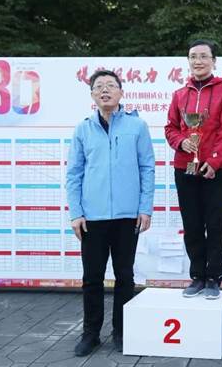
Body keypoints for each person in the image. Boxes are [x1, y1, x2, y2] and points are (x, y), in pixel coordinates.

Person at [66, 70, 155, 356]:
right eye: (99, 86)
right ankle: (91, 333)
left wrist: (145, 208)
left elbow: (147, 168)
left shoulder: (137, 126)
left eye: (111, 86)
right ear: (92, 94)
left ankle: (122, 332)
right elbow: (74, 173)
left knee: (124, 275)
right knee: (92, 277)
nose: (105, 90)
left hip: (127, 216)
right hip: (92, 217)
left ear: (121, 92)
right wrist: (76, 213)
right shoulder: (83, 129)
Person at [165, 39, 222, 299]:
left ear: (214, 61)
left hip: (217, 169)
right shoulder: (179, 94)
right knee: (192, 224)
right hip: (185, 167)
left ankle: (214, 278)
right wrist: (181, 142)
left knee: (216, 225)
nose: (198, 61)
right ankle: (197, 276)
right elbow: (170, 128)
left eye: (204, 56)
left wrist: (214, 161)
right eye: (193, 56)